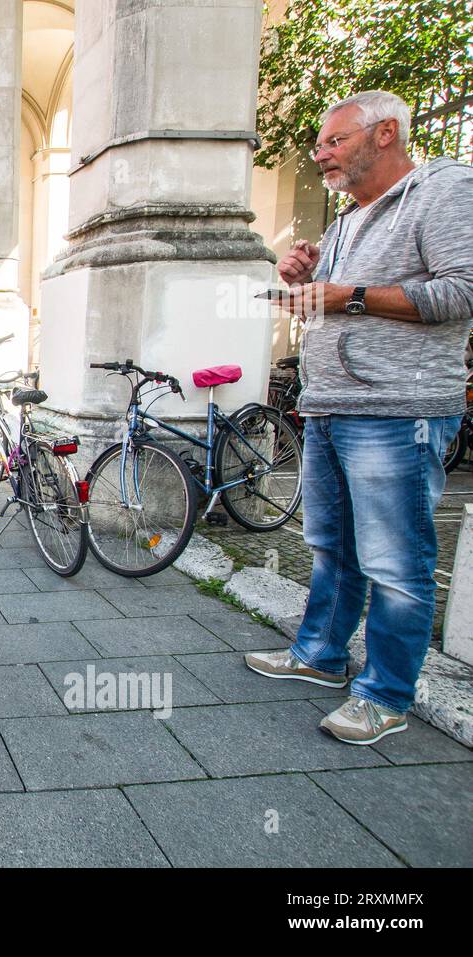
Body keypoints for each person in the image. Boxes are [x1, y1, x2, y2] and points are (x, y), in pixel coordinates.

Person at [246, 90, 473, 744]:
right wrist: (302, 287)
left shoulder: (446, 191)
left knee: (395, 560)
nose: (320, 153)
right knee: (332, 547)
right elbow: (332, 310)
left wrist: (348, 295)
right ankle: (318, 654)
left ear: (386, 133)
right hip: (328, 405)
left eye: (333, 141)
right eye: (319, 144)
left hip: (398, 410)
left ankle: (385, 693)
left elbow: (461, 292)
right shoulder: (348, 220)